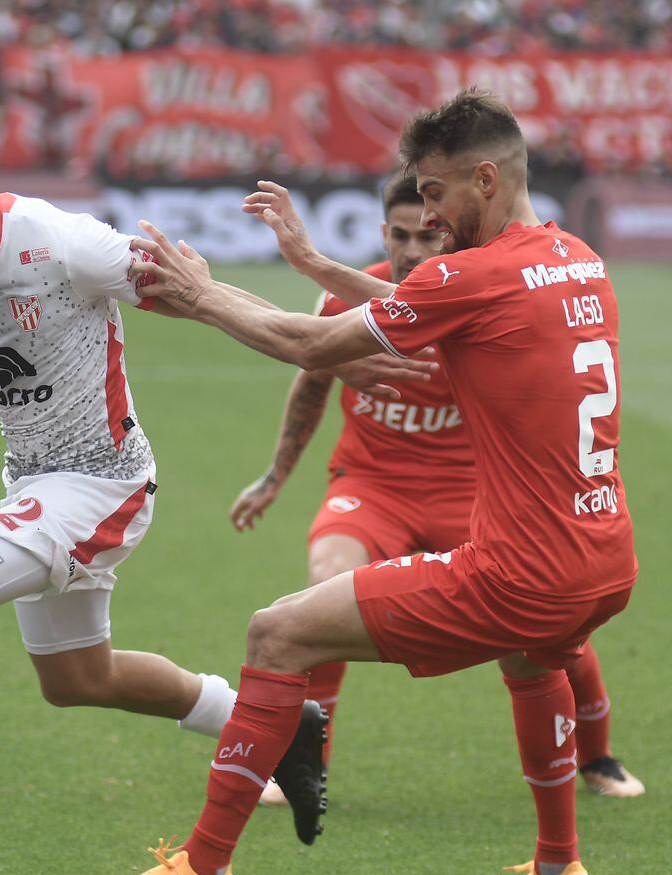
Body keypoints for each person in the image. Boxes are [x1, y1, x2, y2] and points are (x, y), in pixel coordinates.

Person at [76, 89, 637, 875]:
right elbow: (428, 298)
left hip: (524, 570)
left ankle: (201, 873)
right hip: (608, 560)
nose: (431, 216)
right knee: (532, 660)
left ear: (485, 180)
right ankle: (559, 869)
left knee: (278, 632)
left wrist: (199, 293)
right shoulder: (576, 258)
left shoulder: (471, 273)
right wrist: (310, 267)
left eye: (438, 194)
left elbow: (310, 345)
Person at [0, 158, 427, 842]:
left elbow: (198, 295)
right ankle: (279, 723)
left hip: (103, 482)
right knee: (77, 678)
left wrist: (320, 347)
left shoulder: (61, 245)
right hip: (32, 485)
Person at [234, 173, 643, 804]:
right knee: (323, 580)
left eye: (425, 234)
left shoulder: (483, 293)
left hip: (473, 492)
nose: (411, 251)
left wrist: (208, 293)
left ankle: (598, 755)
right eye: (398, 235)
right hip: (374, 488)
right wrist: (274, 476)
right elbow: (312, 374)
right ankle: (306, 767)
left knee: (547, 626)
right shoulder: (347, 299)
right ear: (383, 234)